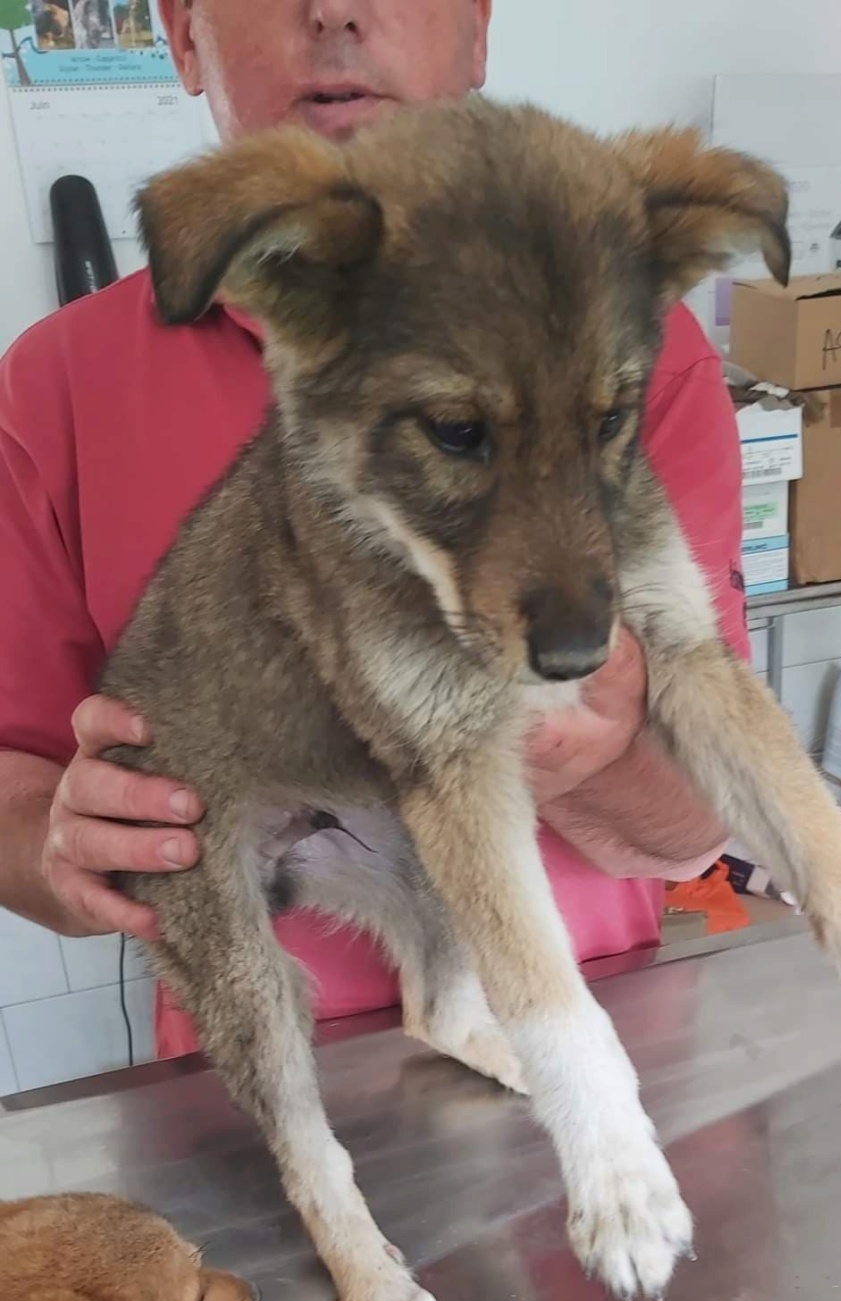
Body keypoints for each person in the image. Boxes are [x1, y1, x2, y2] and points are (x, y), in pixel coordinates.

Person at [0, 0, 749, 1060]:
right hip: (256, 1089)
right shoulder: (58, 385)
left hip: (591, 1058)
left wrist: (592, 750)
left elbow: (692, 834)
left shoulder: (632, 354)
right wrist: (58, 842)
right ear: (181, 34)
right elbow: (16, 775)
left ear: (477, 33)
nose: (335, 12)